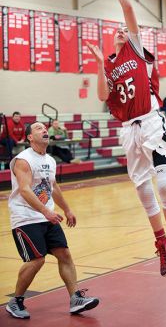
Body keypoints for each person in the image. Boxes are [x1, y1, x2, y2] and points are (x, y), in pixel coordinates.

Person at [86, 0, 166, 277]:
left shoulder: (138, 51)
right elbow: (102, 94)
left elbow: (128, 11)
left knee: (164, 182)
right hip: (129, 129)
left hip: (151, 122)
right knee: (142, 190)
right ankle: (161, 245)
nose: (121, 31)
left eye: (124, 31)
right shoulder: (111, 64)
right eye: (118, 32)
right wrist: (101, 65)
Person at [6, 122, 99, 319]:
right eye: (38, 128)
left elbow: (53, 187)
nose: (44, 130)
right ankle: (16, 301)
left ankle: (75, 299)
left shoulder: (50, 159)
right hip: (25, 217)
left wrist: (67, 209)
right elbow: (24, 190)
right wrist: (45, 212)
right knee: (37, 260)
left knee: (64, 254)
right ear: (30, 137)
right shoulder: (23, 160)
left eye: (45, 127)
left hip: (46, 216)